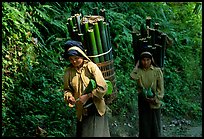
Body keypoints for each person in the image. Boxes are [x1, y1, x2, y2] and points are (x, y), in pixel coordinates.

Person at [63, 40, 110, 137]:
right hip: (82, 110)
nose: (74, 61)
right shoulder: (68, 71)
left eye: (76, 58)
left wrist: (88, 96)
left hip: (95, 109)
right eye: (71, 59)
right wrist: (69, 97)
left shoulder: (91, 67)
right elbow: (67, 89)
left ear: (82, 56)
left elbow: (103, 87)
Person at [130, 51, 164, 137]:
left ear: (151, 60)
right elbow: (132, 76)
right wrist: (137, 66)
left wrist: (156, 99)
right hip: (143, 101)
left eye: (148, 60)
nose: (145, 62)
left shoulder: (157, 71)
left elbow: (161, 88)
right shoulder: (139, 71)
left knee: (155, 126)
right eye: (143, 60)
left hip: (154, 102)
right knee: (145, 126)